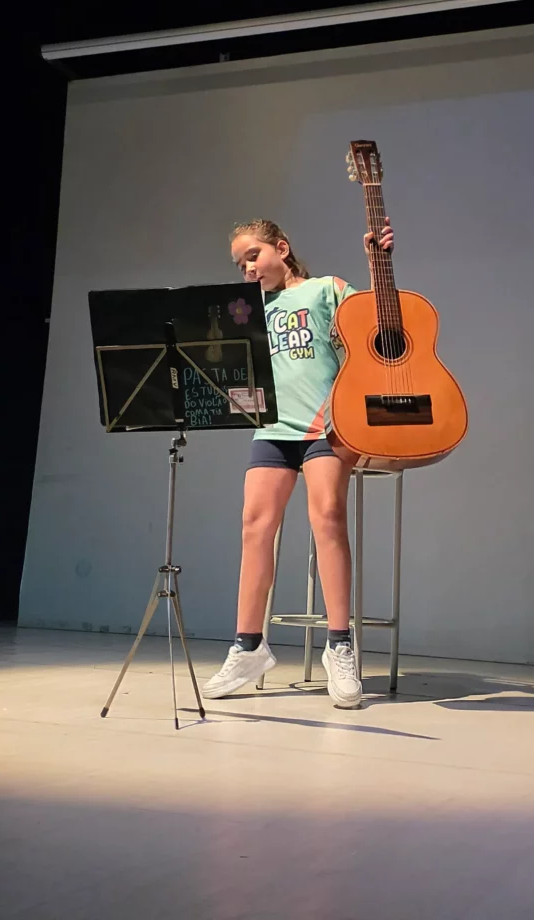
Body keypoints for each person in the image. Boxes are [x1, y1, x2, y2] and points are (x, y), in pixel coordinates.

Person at [203, 216, 395, 708]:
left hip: (326, 425)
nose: (247, 268)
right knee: (255, 525)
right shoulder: (248, 311)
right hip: (273, 429)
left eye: (253, 255)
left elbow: (377, 323)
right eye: (239, 263)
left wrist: (378, 263)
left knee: (327, 518)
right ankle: (248, 646)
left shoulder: (325, 289)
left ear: (282, 248)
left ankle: (340, 646)